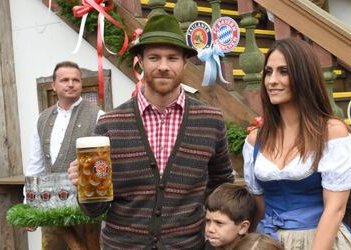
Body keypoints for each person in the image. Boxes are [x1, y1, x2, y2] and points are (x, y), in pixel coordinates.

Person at [68, 14, 234, 249]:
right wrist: (84, 188)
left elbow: (221, 187)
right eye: (154, 57)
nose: (163, 66)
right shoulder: (110, 124)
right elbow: (94, 210)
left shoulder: (210, 121)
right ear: (141, 62)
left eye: (172, 58)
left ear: (185, 63)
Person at [242, 38, 351, 249]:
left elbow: (335, 209)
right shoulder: (255, 140)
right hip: (270, 242)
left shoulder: (331, 134)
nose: (272, 81)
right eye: (268, 72)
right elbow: (259, 208)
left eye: (283, 71)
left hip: (319, 240)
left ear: (304, 76)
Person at [25, 61, 104, 249]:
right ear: (54, 86)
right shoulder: (42, 118)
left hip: (85, 207)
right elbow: (35, 165)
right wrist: (29, 202)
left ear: (81, 85)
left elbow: (104, 166)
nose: (71, 84)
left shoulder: (98, 115)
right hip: (49, 206)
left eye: (75, 80)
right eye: (65, 80)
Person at [204, 183, 255, 250]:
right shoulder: (208, 247)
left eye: (219, 223)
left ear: (243, 227)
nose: (210, 229)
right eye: (207, 221)